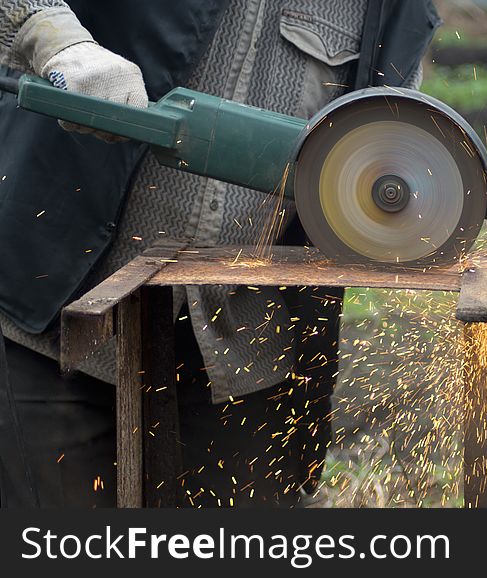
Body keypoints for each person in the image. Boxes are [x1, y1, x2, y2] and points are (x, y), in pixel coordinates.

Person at [0, 0, 440, 507]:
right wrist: (57, 39)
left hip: (247, 349)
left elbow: (391, 142)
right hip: (54, 310)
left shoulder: (396, 12)